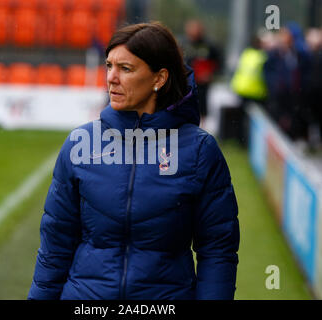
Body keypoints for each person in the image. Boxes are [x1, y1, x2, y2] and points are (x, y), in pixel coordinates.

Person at [28, 22, 240, 300]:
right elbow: (55, 245)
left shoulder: (200, 150)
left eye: (125, 69)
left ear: (159, 79)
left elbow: (217, 250)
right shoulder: (80, 144)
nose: (111, 78)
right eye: (109, 66)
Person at [181, 19, 221, 125]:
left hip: (202, 84)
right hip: (185, 83)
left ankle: (200, 132)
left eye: (197, 30)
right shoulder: (183, 44)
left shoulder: (209, 46)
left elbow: (219, 62)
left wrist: (211, 74)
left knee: (201, 109)